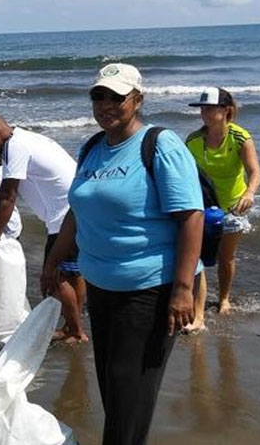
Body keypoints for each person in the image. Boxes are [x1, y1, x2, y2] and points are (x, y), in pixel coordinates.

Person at [45, 63, 203, 445]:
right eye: (98, 96)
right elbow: (76, 212)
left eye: (116, 96)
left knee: (129, 396)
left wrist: (183, 290)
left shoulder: (159, 144)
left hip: (149, 290)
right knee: (114, 392)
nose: (105, 104)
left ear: (137, 99)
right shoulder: (92, 148)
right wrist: (52, 263)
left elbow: (191, 217)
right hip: (101, 287)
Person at [0, 114, 86, 342]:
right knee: (73, 272)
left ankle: (74, 330)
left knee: (52, 277)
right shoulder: (26, 139)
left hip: (64, 218)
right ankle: (74, 327)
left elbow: (7, 195)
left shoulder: (14, 147)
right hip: (78, 208)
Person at [186, 87, 260, 317]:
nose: (204, 113)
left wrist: (249, 193)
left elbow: (255, 171)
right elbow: (185, 174)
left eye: (210, 108)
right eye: (202, 109)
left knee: (225, 257)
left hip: (233, 206)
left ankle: (224, 298)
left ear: (226, 110)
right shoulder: (193, 140)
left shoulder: (240, 137)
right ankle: (197, 309)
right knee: (196, 257)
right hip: (202, 206)